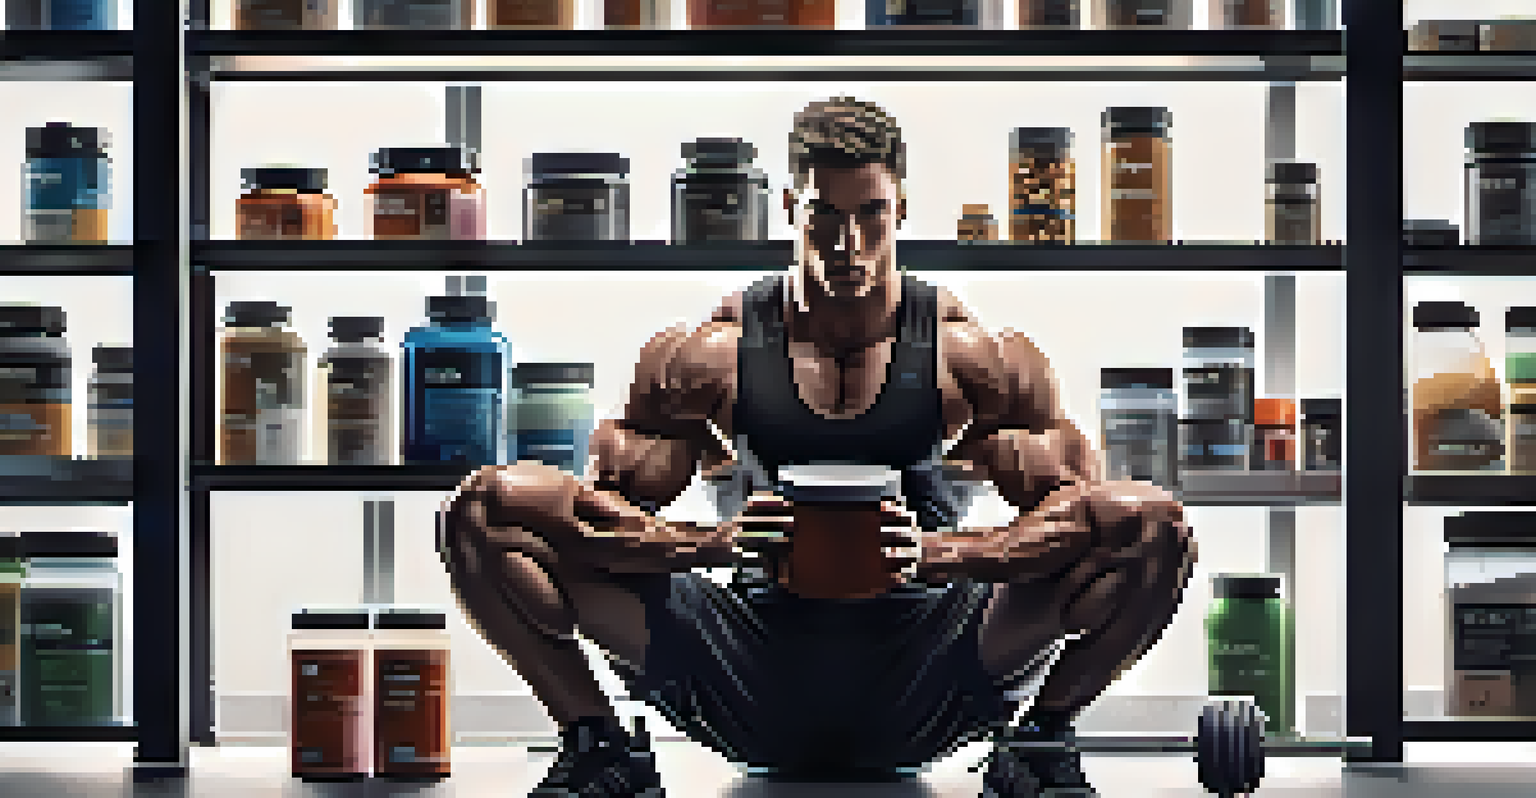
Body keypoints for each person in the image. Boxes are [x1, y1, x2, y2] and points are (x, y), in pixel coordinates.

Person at [437, 96, 1197, 798]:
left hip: (934, 664)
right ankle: (598, 744)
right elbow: (602, 521)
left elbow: (1081, 515)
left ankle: (1039, 745)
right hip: (745, 666)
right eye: (823, 218)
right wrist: (714, 545)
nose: (849, 244)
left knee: (1151, 525)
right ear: (790, 210)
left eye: (871, 214)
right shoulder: (708, 354)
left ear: (902, 208)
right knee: (487, 510)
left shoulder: (975, 358)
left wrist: (945, 555)